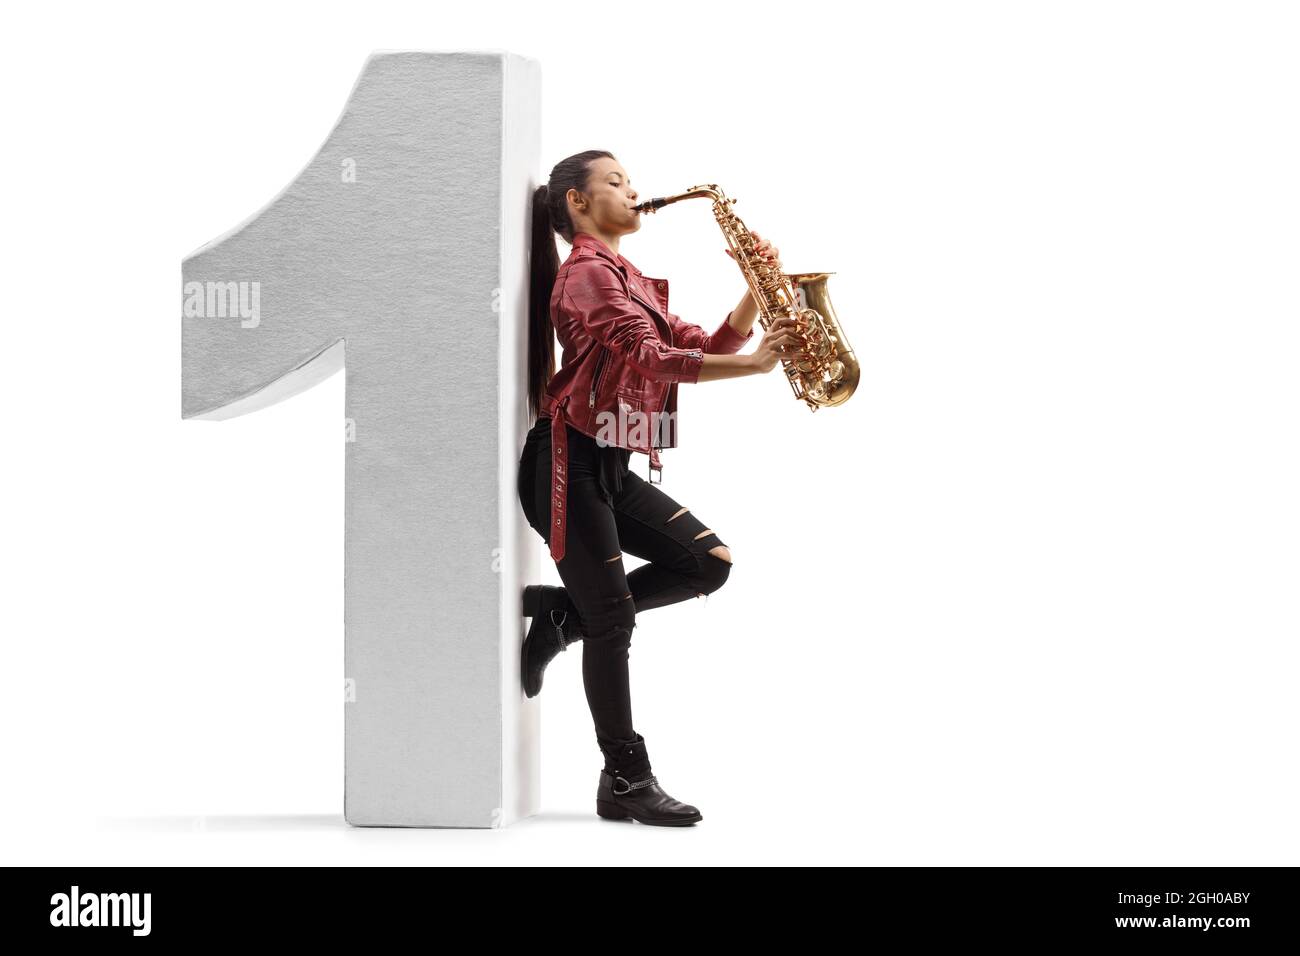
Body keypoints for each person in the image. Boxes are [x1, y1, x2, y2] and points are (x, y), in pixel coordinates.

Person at [518, 150, 807, 825]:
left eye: (630, 181)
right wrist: (758, 368)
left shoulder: (628, 278)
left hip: (611, 465)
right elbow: (651, 358)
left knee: (707, 563)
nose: (634, 192)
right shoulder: (588, 274)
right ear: (577, 206)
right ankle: (624, 779)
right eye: (615, 182)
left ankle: (565, 614)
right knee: (613, 621)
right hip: (568, 463)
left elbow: (706, 342)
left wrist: (753, 289)